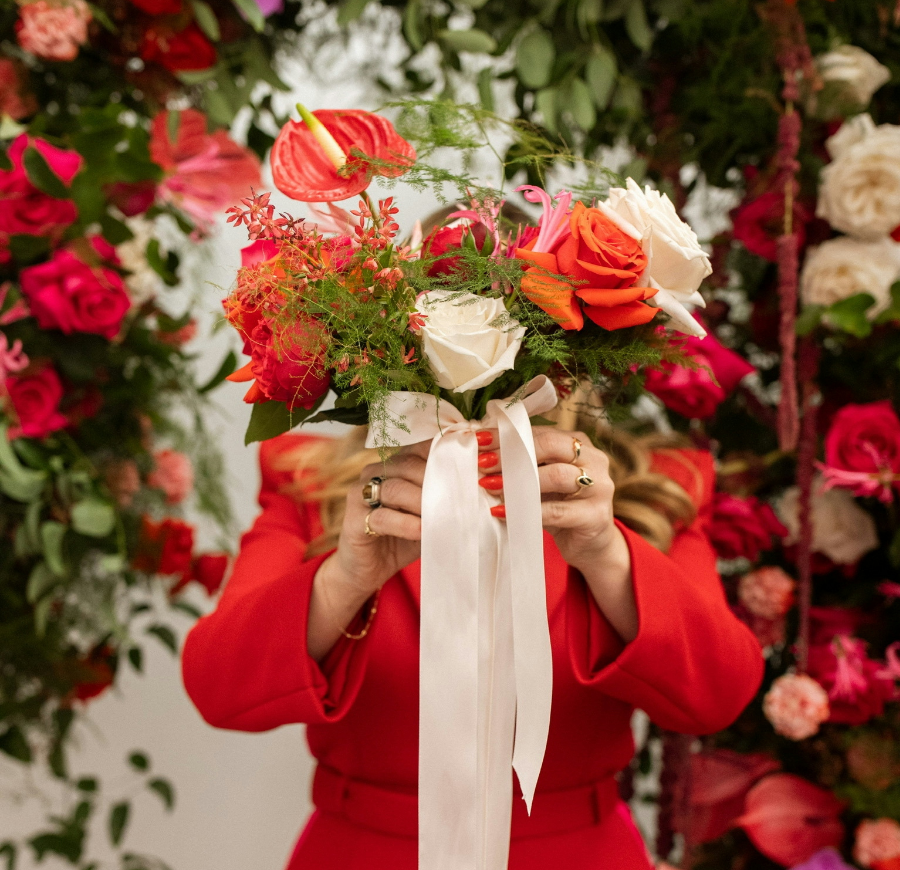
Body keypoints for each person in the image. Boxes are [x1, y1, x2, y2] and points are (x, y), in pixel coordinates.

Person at [182, 408, 764, 869]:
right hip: (362, 853)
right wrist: (347, 576)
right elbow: (219, 687)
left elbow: (718, 694)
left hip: (576, 855)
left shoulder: (652, 487)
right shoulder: (312, 479)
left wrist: (606, 553)